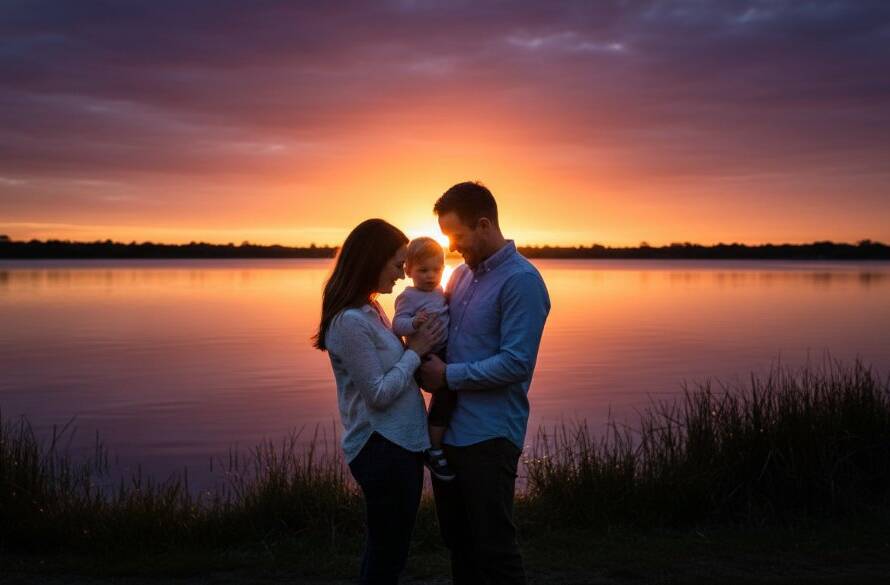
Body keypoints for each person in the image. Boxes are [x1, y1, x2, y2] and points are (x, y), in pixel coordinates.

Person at [419, 181, 550, 585]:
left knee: (494, 549)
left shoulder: (522, 282)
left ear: (483, 224)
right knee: (459, 544)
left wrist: (447, 376)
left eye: (457, 235)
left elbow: (516, 364)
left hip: (490, 435)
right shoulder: (458, 277)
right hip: (450, 434)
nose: (454, 246)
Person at [314, 218, 446, 585]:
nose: (403, 275)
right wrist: (415, 352)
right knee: (388, 555)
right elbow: (378, 394)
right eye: (396, 264)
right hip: (381, 447)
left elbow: (393, 375)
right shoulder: (350, 322)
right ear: (372, 261)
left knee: (389, 549)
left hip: (399, 445)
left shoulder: (373, 310)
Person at [392, 237, 456, 482]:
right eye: (423, 270)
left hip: (444, 352)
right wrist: (413, 323)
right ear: (408, 270)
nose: (431, 276)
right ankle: (434, 447)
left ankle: (436, 438)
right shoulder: (408, 297)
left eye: (436, 270)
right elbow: (397, 325)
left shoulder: (441, 291)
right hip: (424, 357)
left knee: (451, 393)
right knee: (446, 393)